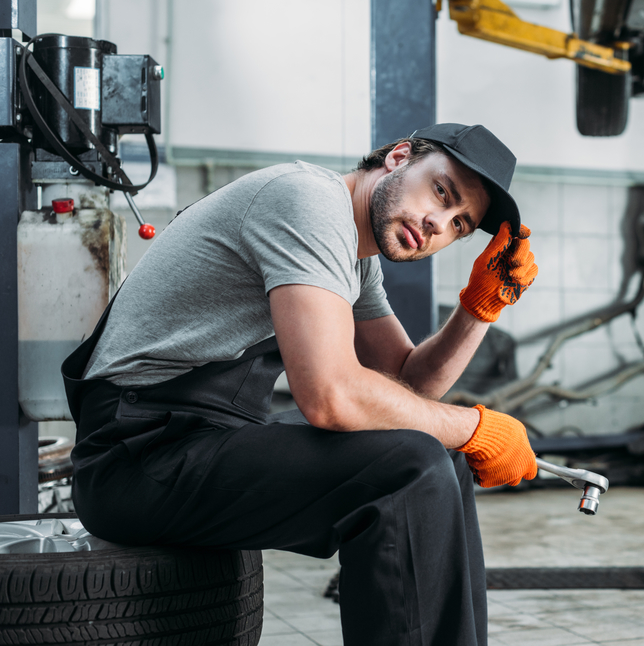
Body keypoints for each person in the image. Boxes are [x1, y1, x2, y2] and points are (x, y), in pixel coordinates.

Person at [61, 123, 540, 645]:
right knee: (411, 467)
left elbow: (408, 386)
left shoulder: (356, 259)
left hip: (198, 442)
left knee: (437, 454)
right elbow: (330, 396)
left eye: (459, 224)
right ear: (400, 157)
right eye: (441, 192)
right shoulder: (308, 200)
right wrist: (475, 426)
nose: (436, 223)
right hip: (134, 457)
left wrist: (479, 308)